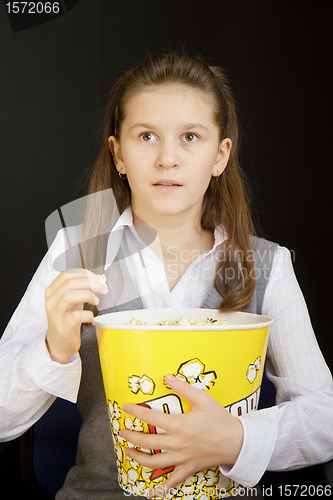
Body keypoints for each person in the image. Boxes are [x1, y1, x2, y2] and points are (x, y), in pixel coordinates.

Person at [0, 52, 333, 500]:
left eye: (190, 137)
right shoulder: (75, 250)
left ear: (220, 155)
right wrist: (53, 351)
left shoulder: (266, 265)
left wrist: (235, 439)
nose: (167, 159)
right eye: (147, 136)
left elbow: (326, 417)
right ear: (119, 154)